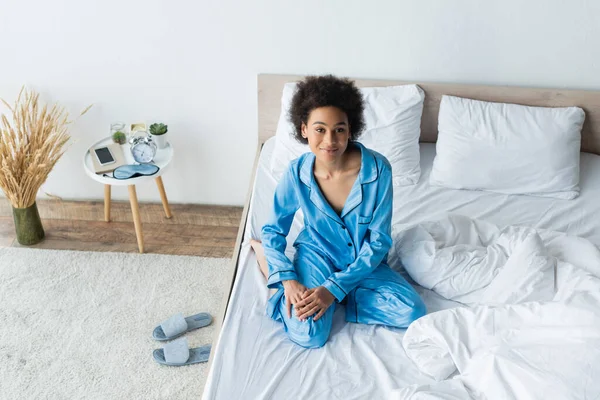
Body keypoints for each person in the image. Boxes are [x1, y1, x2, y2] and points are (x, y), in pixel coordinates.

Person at [250, 75, 426, 348]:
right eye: (320, 129)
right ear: (304, 129)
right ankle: (266, 262)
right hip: (316, 254)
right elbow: (273, 229)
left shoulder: (379, 170)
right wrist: (288, 280)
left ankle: (337, 296)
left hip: (362, 262)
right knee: (310, 334)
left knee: (412, 312)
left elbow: (379, 241)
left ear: (350, 129)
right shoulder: (298, 173)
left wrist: (333, 289)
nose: (330, 140)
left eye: (339, 129)